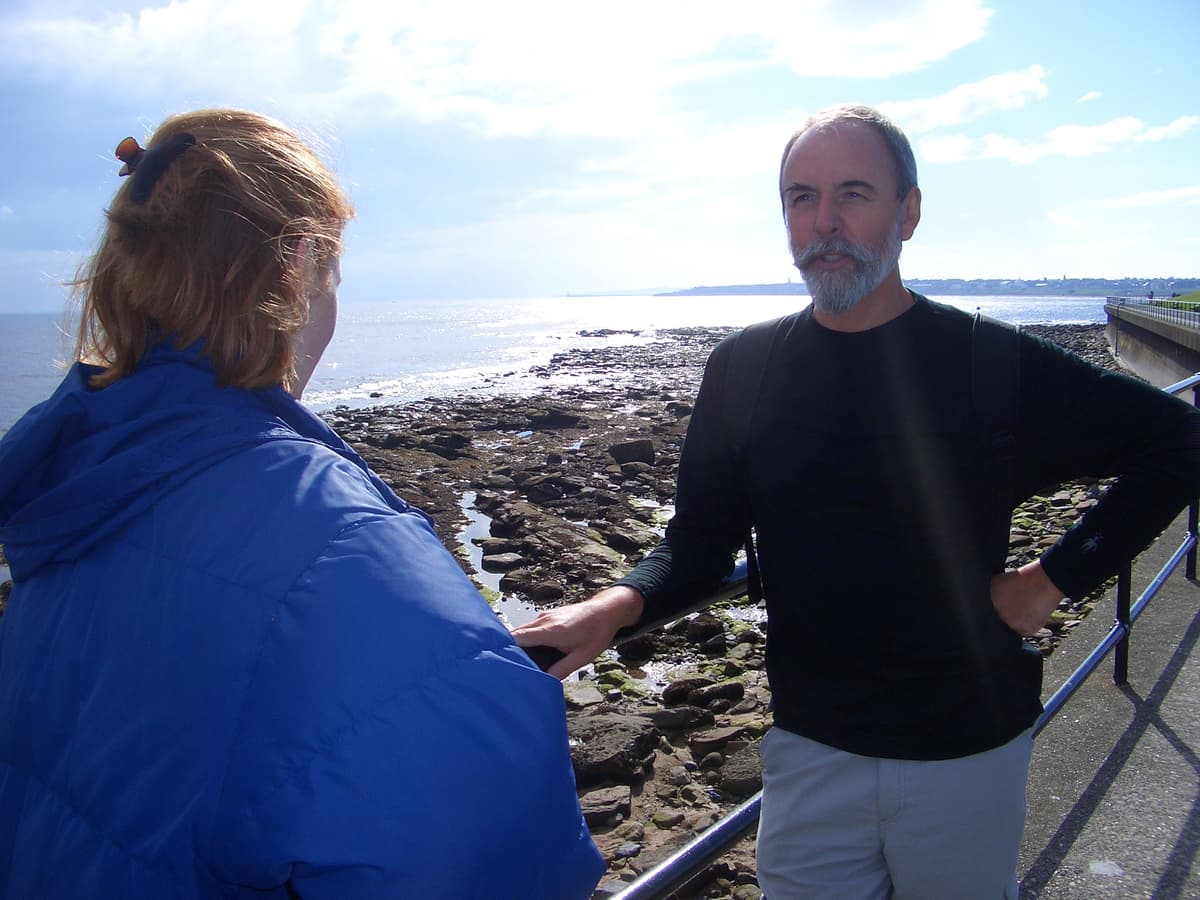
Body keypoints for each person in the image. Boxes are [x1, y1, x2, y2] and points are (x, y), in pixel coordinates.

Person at [513, 104, 1200, 898]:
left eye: (853, 194)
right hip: (811, 741)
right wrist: (613, 606)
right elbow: (700, 540)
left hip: (966, 745)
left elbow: (1177, 442)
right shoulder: (745, 369)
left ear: (908, 212)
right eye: (801, 198)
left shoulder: (991, 362)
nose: (824, 222)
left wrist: (1051, 580)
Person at [0, 109, 604, 899]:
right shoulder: (337, 548)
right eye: (334, 277)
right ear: (298, 261)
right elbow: (486, 853)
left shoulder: (67, 491)